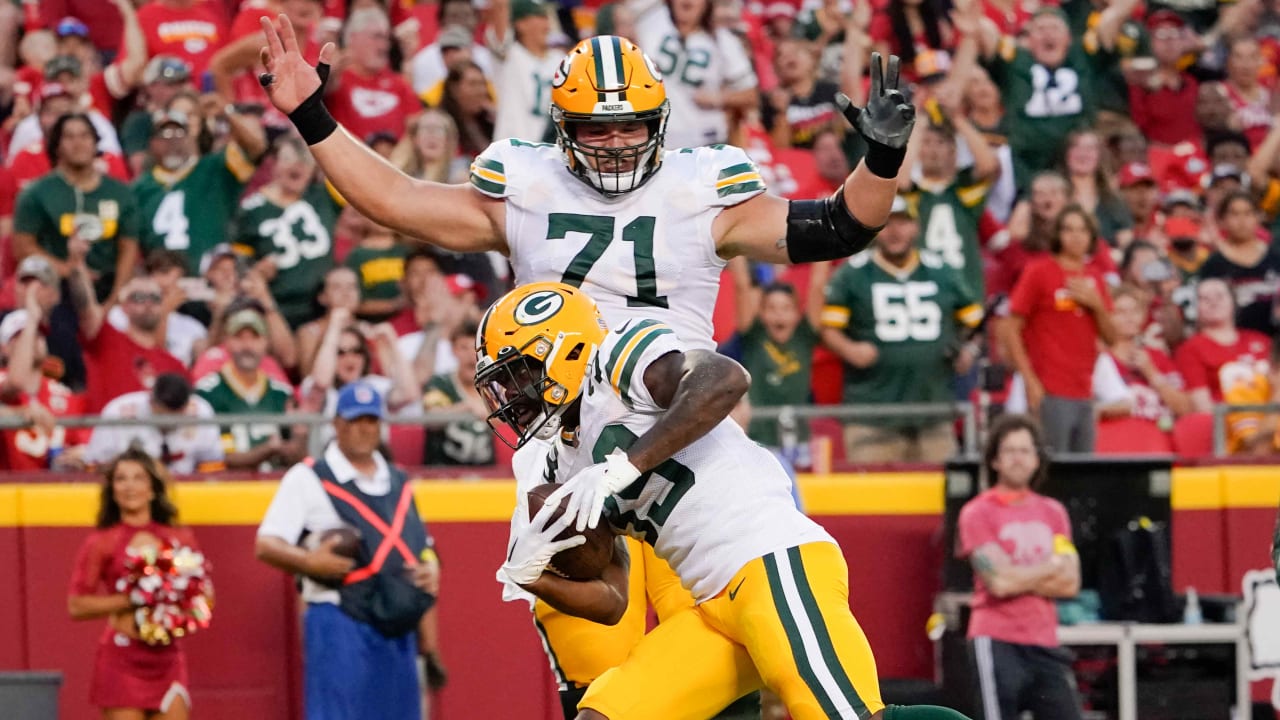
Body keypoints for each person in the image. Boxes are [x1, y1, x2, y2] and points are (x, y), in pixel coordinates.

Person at [481, 282, 969, 720]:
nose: (510, 395)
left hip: (769, 561)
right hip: (710, 604)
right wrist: (533, 576)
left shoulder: (618, 359)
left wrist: (626, 465)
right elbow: (612, 601)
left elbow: (723, 380)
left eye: (517, 373)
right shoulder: (560, 463)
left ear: (563, 352)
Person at [255, 381, 441, 720]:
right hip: (339, 617)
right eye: (355, 420)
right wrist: (308, 561)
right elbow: (266, 544)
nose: (363, 429)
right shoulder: (308, 477)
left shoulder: (398, 479)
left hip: (397, 619)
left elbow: (420, 544)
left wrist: (432, 567)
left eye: (371, 421)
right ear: (337, 423)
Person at [821, 197, 983, 463]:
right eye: (887, 224)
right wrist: (849, 349)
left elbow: (975, 321)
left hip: (933, 411)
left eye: (903, 222)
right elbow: (828, 329)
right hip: (872, 415)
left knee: (941, 496)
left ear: (916, 227)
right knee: (872, 497)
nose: (895, 231)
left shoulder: (942, 271)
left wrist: (970, 350)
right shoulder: (853, 273)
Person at [956, 413, 1082, 720]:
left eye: (1025, 451)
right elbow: (999, 583)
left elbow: (1070, 583)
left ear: (1037, 460)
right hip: (996, 640)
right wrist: (1050, 566)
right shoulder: (976, 513)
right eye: (1009, 451)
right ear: (995, 460)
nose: (1018, 458)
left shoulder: (1054, 512)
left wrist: (1016, 574)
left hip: (1044, 642)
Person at [68, 448, 208, 720]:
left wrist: (193, 605)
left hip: (168, 658)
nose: (129, 486)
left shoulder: (180, 537)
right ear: (112, 489)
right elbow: (76, 605)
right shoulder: (101, 542)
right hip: (122, 659)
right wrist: (137, 597)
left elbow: (201, 596)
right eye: (121, 479)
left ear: (153, 488)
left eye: (138, 478)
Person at [999, 205, 1116, 453]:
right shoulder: (1039, 271)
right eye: (1068, 229)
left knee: (1083, 472)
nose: (1076, 236)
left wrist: (1097, 305)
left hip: (1085, 391)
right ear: (1058, 235)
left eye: (1083, 230)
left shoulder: (1095, 277)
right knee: (1054, 466)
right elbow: (1011, 328)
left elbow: (1112, 337)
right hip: (1049, 390)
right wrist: (1029, 381)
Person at [14, 112, 140, 304]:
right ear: (57, 145)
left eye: (84, 136)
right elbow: (23, 246)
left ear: (95, 142)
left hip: (109, 285)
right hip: (57, 288)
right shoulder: (36, 193)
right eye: (69, 137)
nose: (78, 143)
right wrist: (66, 269)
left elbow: (129, 249)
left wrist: (115, 298)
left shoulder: (120, 193)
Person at [132, 102, 267, 275]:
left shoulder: (215, 168)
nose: (172, 140)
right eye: (164, 134)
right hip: (164, 283)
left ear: (191, 137)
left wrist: (227, 114)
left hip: (213, 279)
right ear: (151, 143)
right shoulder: (139, 189)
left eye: (179, 133)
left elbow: (255, 147)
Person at [67, 239, 189, 414]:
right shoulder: (107, 339)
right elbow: (86, 307)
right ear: (124, 306)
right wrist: (77, 262)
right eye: (138, 297)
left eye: (155, 298)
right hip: (107, 437)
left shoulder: (175, 366)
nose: (148, 303)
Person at [233, 135, 339, 329]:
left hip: (323, 308)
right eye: (289, 158)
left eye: (305, 160)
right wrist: (256, 272)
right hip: (277, 308)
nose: (297, 165)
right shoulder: (252, 209)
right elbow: (239, 267)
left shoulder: (323, 195)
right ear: (274, 164)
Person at [195, 301, 306, 470]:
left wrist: (300, 438)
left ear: (266, 342)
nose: (247, 346)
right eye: (239, 337)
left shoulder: (281, 393)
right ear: (226, 341)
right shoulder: (207, 393)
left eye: (255, 337)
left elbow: (297, 459)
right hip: (226, 488)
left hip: (274, 486)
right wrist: (269, 449)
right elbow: (220, 459)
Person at [84, 373, 226, 475]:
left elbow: (213, 468)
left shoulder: (201, 412)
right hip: (130, 490)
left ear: (186, 406)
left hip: (186, 491)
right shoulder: (118, 411)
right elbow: (93, 468)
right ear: (151, 401)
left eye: (175, 417)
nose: (168, 422)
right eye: (162, 416)